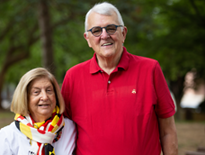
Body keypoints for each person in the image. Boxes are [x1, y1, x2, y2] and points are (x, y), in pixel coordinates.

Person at [61, 2, 177, 155]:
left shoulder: (150, 70)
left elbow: (167, 131)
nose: (104, 35)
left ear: (123, 33)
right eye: (96, 31)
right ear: (87, 39)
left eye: (111, 28)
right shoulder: (73, 77)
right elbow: (62, 132)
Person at [0, 68, 76, 155]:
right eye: (36, 92)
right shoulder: (8, 135)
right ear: (25, 98)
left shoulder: (70, 128)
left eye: (49, 90)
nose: (45, 97)